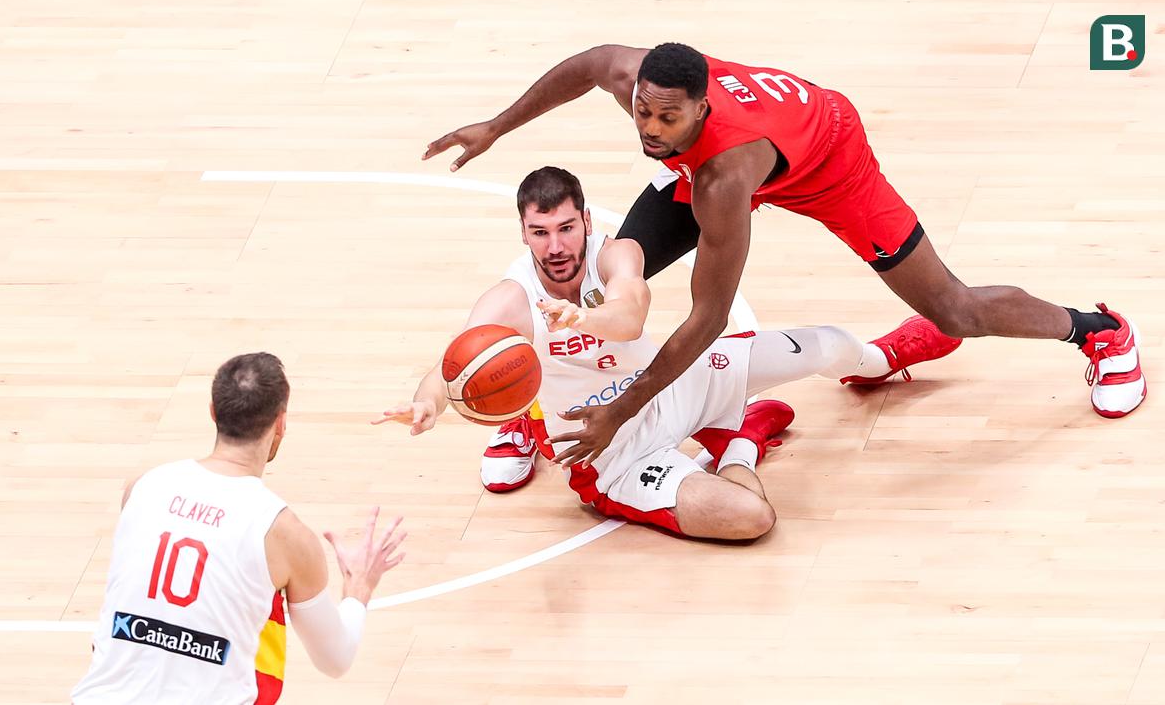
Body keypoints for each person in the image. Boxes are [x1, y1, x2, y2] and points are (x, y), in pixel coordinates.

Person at [424, 42, 1145, 474]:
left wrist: (623, 409)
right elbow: (586, 64)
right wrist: (496, 125)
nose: (646, 128)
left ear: (701, 109)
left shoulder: (722, 180)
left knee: (953, 307)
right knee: (625, 257)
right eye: (641, 110)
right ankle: (557, 366)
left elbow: (707, 321)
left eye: (665, 117)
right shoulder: (646, 91)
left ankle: (1099, 331)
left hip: (830, 160)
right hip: (758, 137)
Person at [375, 167, 959, 539]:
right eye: (540, 233)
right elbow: (455, 359)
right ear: (523, 234)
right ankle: (740, 440)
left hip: (673, 382)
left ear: (585, 221)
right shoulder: (512, 298)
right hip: (609, 448)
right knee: (751, 519)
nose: (556, 247)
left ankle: (880, 362)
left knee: (829, 342)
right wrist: (431, 401)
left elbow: (629, 315)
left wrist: (584, 316)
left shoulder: (616, 255)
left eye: (566, 228)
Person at [72, 352, 406, 704]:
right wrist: (358, 589)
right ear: (281, 422)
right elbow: (335, 659)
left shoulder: (142, 487)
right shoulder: (285, 534)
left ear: (214, 411)